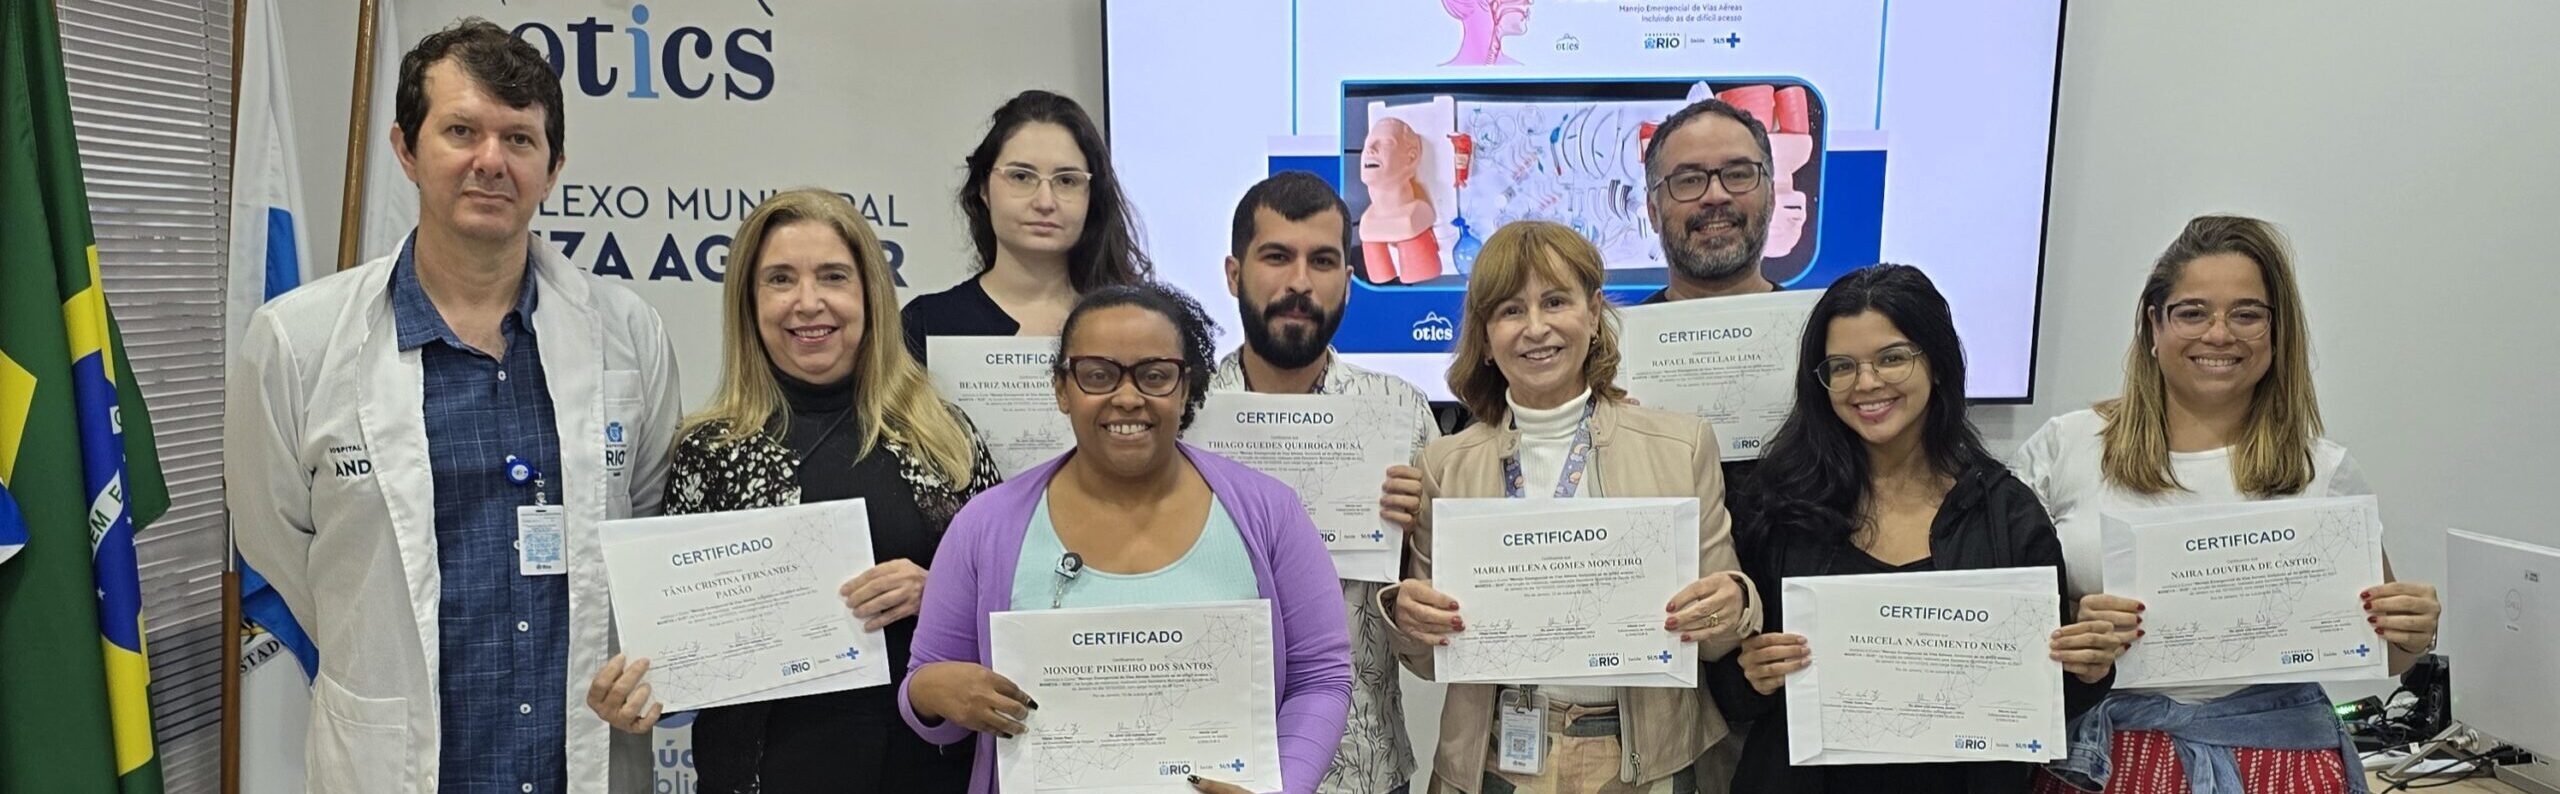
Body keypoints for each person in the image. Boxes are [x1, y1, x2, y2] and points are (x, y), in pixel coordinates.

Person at [225, 19, 677, 793]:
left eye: (520, 140)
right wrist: (381, 629)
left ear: (553, 164)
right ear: (406, 148)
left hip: (577, 763)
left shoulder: (625, 331)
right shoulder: (297, 341)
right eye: (461, 131)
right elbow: (277, 542)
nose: (490, 162)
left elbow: (643, 516)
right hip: (394, 764)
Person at [577, 190, 1001, 793]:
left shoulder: (944, 437)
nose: (809, 303)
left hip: (930, 771)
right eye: (780, 279)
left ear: (870, 295)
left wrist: (939, 593)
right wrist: (638, 693)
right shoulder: (710, 451)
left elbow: (1015, 602)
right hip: (764, 775)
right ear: (750, 304)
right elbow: (677, 656)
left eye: (833, 277)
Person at [2016, 216, 2442, 794]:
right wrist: (2074, 629)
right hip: (2102, 762)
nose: (2219, 334)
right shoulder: (2065, 447)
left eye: (2246, 314)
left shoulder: (2322, 469)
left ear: (2276, 330)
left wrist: (2411, 634)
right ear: (2153, 323)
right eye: (2192, 312)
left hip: (2281, 763)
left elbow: (2386, 655)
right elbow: (2008, 627)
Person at [897, 283, 1355, 794]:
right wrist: (935, 692)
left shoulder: (1269, 513)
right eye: (1098, 375)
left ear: (1185, 388)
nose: (1128, 397)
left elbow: (1321, 677)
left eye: (1155, 375)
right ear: (1061, 389)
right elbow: (926, 690)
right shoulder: (986, 526)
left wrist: (1283, 789)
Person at [1704, 264, 2123, 793]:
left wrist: (2087, 668)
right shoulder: (1775, 505)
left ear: (1939, 364)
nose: (1867, 383)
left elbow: (2041, 699)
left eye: (1893, 358)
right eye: (1841, 366)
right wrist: (1752, 675)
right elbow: (1727, 687)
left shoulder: (2007, 513)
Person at [1383, 220, 1759, 794]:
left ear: (1593, 312)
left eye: (1555, 301)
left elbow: (1717, 642)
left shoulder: (1681, 446)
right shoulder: (1445, 464)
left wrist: (1734, 602)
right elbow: (1431, 661)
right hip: (1494, 764)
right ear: (1484, 335)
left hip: (1644, 764)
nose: (1535, 328)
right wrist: (1410, 622)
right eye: (1510, 310)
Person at [1211, 171, 1438, 793]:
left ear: (1348, 280)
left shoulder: (1400, 413)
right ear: (1234, 274)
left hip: (1363, 765)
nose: (1299, 283)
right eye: (1276, 257)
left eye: (1323, 261)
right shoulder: (1185, 412)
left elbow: (1434, 631)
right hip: (1207, 762)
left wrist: (1426, 532)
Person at [1632, 96, 1786, 792]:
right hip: (1649, 690)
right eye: (1688, 180)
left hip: (1789, 688)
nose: (1715, 195)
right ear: (1652, 204)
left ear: (1774, 188)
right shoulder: (1604, 355)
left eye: (1738, 174)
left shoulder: (1832, 345)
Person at [901, 89, 1152, 365]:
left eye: (1066, 181)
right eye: (1021, 176)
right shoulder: (927, 323)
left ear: (1092, 196)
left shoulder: (1135, 324)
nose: (1045, 201)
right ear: (984, 189)